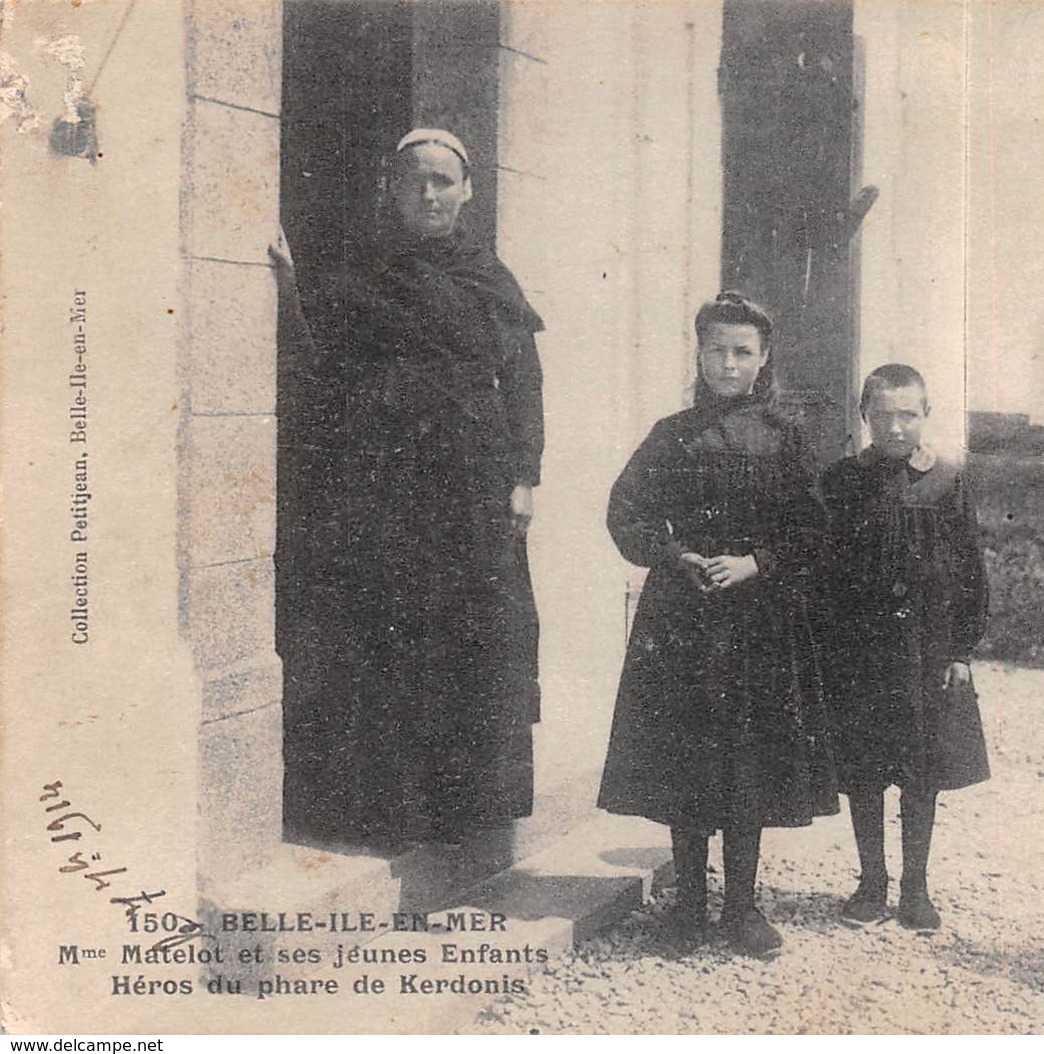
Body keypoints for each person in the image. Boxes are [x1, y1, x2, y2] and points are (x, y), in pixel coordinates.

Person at [270, 128, 544, 850]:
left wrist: (523, 479)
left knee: (468, 638)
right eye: (415, 181)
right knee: (392, 635)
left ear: (467, 190)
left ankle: (463, 812)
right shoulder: (367, 271)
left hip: (473, 485)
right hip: (389, 482)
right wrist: (290, 290)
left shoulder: (490, 277)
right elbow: (324, 366)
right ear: (393, 190)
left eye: (443, 182)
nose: (429, 195)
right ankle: (390, 811)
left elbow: (523, 384)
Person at [597, 292, 839, 959]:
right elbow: (625, 512)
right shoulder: (671, 434)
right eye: (715, 350)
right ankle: (688, 907)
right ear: (699, 353)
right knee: (687, 759)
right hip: (682, 621)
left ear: (763, 360)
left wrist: (757, 562)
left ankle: (741, 907)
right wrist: (674, 555)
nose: (727, 365)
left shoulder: (786, 440)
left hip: (757, 622)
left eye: (741, 352)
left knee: (747, 760)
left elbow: (814, 528)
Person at [820, 364, 990, 933]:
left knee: (921, 771)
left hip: (926, 649)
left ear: (925, 416)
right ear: (865, 415)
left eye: (907, 415)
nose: (896, 427)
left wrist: (961, 651)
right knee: (865, 770)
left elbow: (970, 572)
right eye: (884, 414)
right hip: (859, 652)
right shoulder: (843, 481)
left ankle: (915, 887)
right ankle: (872, 882)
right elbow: (822, 569)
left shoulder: (946, 483)